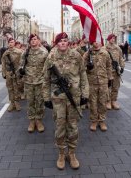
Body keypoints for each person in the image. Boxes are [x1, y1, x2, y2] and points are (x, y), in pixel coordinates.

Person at [42, 32, 89, 170]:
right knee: (60, 127)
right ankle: (62, 153)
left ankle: (72, 153)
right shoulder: (51, 57)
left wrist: (85, 94)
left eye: (65, 40)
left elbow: (83, 74)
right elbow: (45, 79)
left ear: (68, 42)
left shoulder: (76, 55)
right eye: (60, 41)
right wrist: (46, 98)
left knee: (73, 126)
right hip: (58, 99)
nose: (63, 43)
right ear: (56, 43)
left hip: (74, 97)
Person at [19, 34, 48, 133]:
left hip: (40, 81)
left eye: (35, 39)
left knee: (40, 102)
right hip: (28, 82)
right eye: (31, 40)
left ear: (38, 41)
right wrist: (21, 71)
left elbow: (47, 67)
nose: (33, 41)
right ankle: (32, 121)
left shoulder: (44, 52)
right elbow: (21, 65)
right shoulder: (25, 53)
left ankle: (39, 120)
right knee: (30, 102)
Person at [84, 40, 112, 132]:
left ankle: (102, 120)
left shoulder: (105, 53)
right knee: (93, 103)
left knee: (103, 102)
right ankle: (94, 121)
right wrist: (87, 67)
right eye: (94, 41)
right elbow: (81, 66)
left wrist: (110, 78)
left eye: (97, 41)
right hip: (92, 82)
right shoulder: (88, 53)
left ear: (100, 42)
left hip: (103, 81)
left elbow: (108, 66)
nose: (96, 42)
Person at [2, 38, 23, 112]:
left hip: (16, 72)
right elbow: (3, 64)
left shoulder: (19, 52)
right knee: (10, 88)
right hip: (9, 73)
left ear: (14, 43)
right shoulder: (5, 53)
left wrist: (20, 72)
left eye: (12, 42)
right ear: (8, 43)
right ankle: (12, 103)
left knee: (16, 87)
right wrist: (4, 73)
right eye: (9, 42)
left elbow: (22, 62)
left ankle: (17, 102)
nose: (11, 43)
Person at [105, 34, 125, 110]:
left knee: (115, 87)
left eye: (114, 38)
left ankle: (114, 101)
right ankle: (108, 101)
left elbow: (121, 58)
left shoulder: (118, 48)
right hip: (108, 71)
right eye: (112, 38)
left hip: (116, 71)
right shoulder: (105, 48)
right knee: (108, 87)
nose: (113, 40)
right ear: (108, 39)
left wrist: (122, 67)